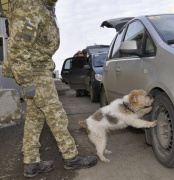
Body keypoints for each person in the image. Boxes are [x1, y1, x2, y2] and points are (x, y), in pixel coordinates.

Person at [2, 0, 98, 178]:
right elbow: (18, 48)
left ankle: (31, 163)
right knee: (56, 115)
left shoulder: (45, 8)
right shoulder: (31, 7)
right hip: (34, 72)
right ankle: (71, 157)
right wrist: (26, 80)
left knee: (35, 118)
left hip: (38, 69)